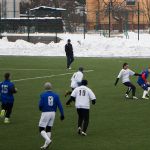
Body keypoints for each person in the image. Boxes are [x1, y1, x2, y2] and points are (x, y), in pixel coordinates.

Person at [38, 82, 64, 150]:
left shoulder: (43, 95)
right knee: (48, 128)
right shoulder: (56, 95)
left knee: (41, 129)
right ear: (51, 87)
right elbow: (60, 105)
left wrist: (40, 108)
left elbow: (40, 105)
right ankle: (45, 145)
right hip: (53, 113)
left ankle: (48, 140)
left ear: (45, 88)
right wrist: (62, 114)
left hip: (45, 113)